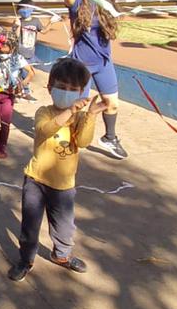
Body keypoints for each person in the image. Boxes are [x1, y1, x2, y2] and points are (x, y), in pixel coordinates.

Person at [9, 58, 109, 282]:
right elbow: (46, 129)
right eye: (62, 88)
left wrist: (91, 115)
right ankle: (26, 259)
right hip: (36, 179)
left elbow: (83, 142)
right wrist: (69, 112)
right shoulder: (43, 112)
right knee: (30, 225)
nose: (67, 93)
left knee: (64, 226)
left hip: (64, 185)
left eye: (73, 90)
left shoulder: (81, 117)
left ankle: (61, 255)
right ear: (50, 88)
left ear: (82, 92)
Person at [55, 0, 138, 160]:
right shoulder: (77, 1)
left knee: (111, 104)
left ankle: (109, 138)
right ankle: (69, 141)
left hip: (103, 63)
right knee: (77, 110)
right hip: (80, 65)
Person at [14, 0, 48, 101]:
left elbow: (44, 31)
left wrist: (51, 22)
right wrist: (17, 26)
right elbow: (15, 37)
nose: (24, 10)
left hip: (30, 53)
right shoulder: (18, 21)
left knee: (27, 74)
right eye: (22, 8)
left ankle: (22, 92)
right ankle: (21, 92)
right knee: (20, 73)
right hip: (19, 53)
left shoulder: (36, 21)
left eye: (27, 7)